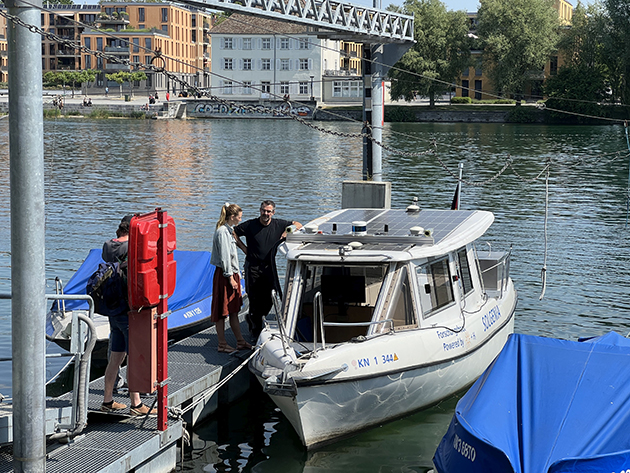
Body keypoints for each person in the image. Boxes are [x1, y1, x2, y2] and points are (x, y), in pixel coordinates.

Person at [100, 215, 156, 416]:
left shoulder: (108, 246)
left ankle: (107, 401)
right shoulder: (130, 248)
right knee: (134, 357)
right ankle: (136, 404)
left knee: (115, 358)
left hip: (112, 309)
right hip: (128, 310)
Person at [234, 200, 301, 341]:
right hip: (252, 266)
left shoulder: (279, 224)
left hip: (269, 267)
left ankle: (253, 320)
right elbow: (233, 233)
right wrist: (244, 248)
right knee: (254, 299)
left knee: (270, 298)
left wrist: (286, 232)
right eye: (264, 210)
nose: (266, 213)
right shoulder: (251, 225)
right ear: (260, 210)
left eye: (269, 211)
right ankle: (255, 330)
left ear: (273, 213)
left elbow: (298, 225)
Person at [211, 203, 251, 353]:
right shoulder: (222, 232)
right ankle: (222, 344)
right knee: (222, 310)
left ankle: (240, 341)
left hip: (232, 273)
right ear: (232, 217)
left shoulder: (230, 230)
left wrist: (236, 274)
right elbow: (225, 257)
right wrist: (230, 278)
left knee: (234, 308)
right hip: (225, 275)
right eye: (239, 217)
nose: (240, 220)